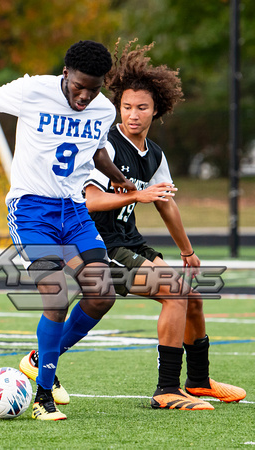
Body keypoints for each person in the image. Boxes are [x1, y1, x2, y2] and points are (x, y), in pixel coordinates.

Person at [0, 40, 153, 421]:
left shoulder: (101, 109)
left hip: (75, 212)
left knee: (102, 294)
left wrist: (121, 180)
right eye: (78, 86)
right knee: (55, 294)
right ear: (65, 74)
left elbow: (97, 150)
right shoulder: (32, 89)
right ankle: (43, 397)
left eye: (94, 88)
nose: (85, 95)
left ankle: (38, 360)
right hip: (32, 210)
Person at [82, 39, 246, 409]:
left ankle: (199, 381)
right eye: (126, 107)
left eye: (142, 107)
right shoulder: (103, 147)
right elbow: (90, 201)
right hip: (101, 247)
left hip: (131, 243)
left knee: (192, 293)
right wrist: (134, 196)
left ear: (157, 110)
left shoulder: (153, 154)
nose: (133, 114)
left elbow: (166, 204)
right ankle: (166, 390)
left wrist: (188, 252)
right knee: (174, 292)